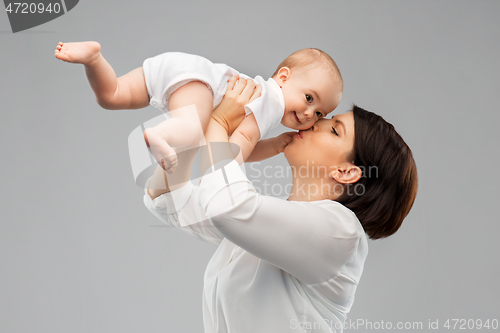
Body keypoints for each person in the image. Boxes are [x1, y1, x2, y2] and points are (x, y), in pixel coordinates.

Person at [143, 77, 418, 332]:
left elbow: (225, 207)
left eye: (334, 130)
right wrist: (189, 130)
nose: (314, 122)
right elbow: (172, 203)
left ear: (346, 172)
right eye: (326, 117)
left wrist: (220, 124)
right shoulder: (273, 226)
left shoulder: (341, 233)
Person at [54, 42, 343, 172]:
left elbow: (243, 141)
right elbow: (232, 152)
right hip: (199, 85)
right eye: (309, 98)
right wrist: (226, 175)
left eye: (319, 113)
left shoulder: (263, 110)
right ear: (283, 77)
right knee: (191, 131)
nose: (309, 114)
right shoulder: (272, 101)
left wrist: (275, 146)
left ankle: (93, 59)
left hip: (178, 66)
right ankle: (160, 136)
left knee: (111, 95)